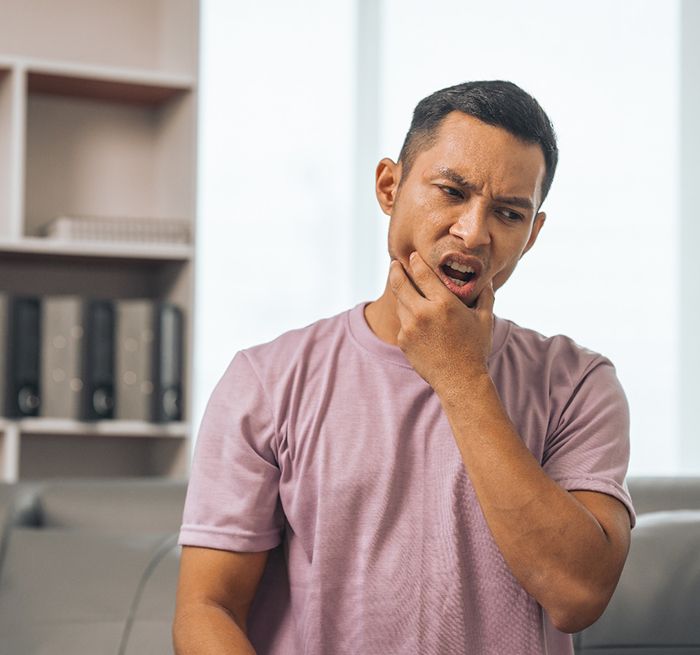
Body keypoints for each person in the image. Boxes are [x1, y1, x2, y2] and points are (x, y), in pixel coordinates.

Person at [173, 81, 634, 655]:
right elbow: (206, 608)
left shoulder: (579, 384)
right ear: (389, 187)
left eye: (509, 213)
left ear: (532, 234)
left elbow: (578, 595)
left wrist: (462, 375)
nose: (473, 232)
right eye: (451, 191)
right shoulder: (266, 381)